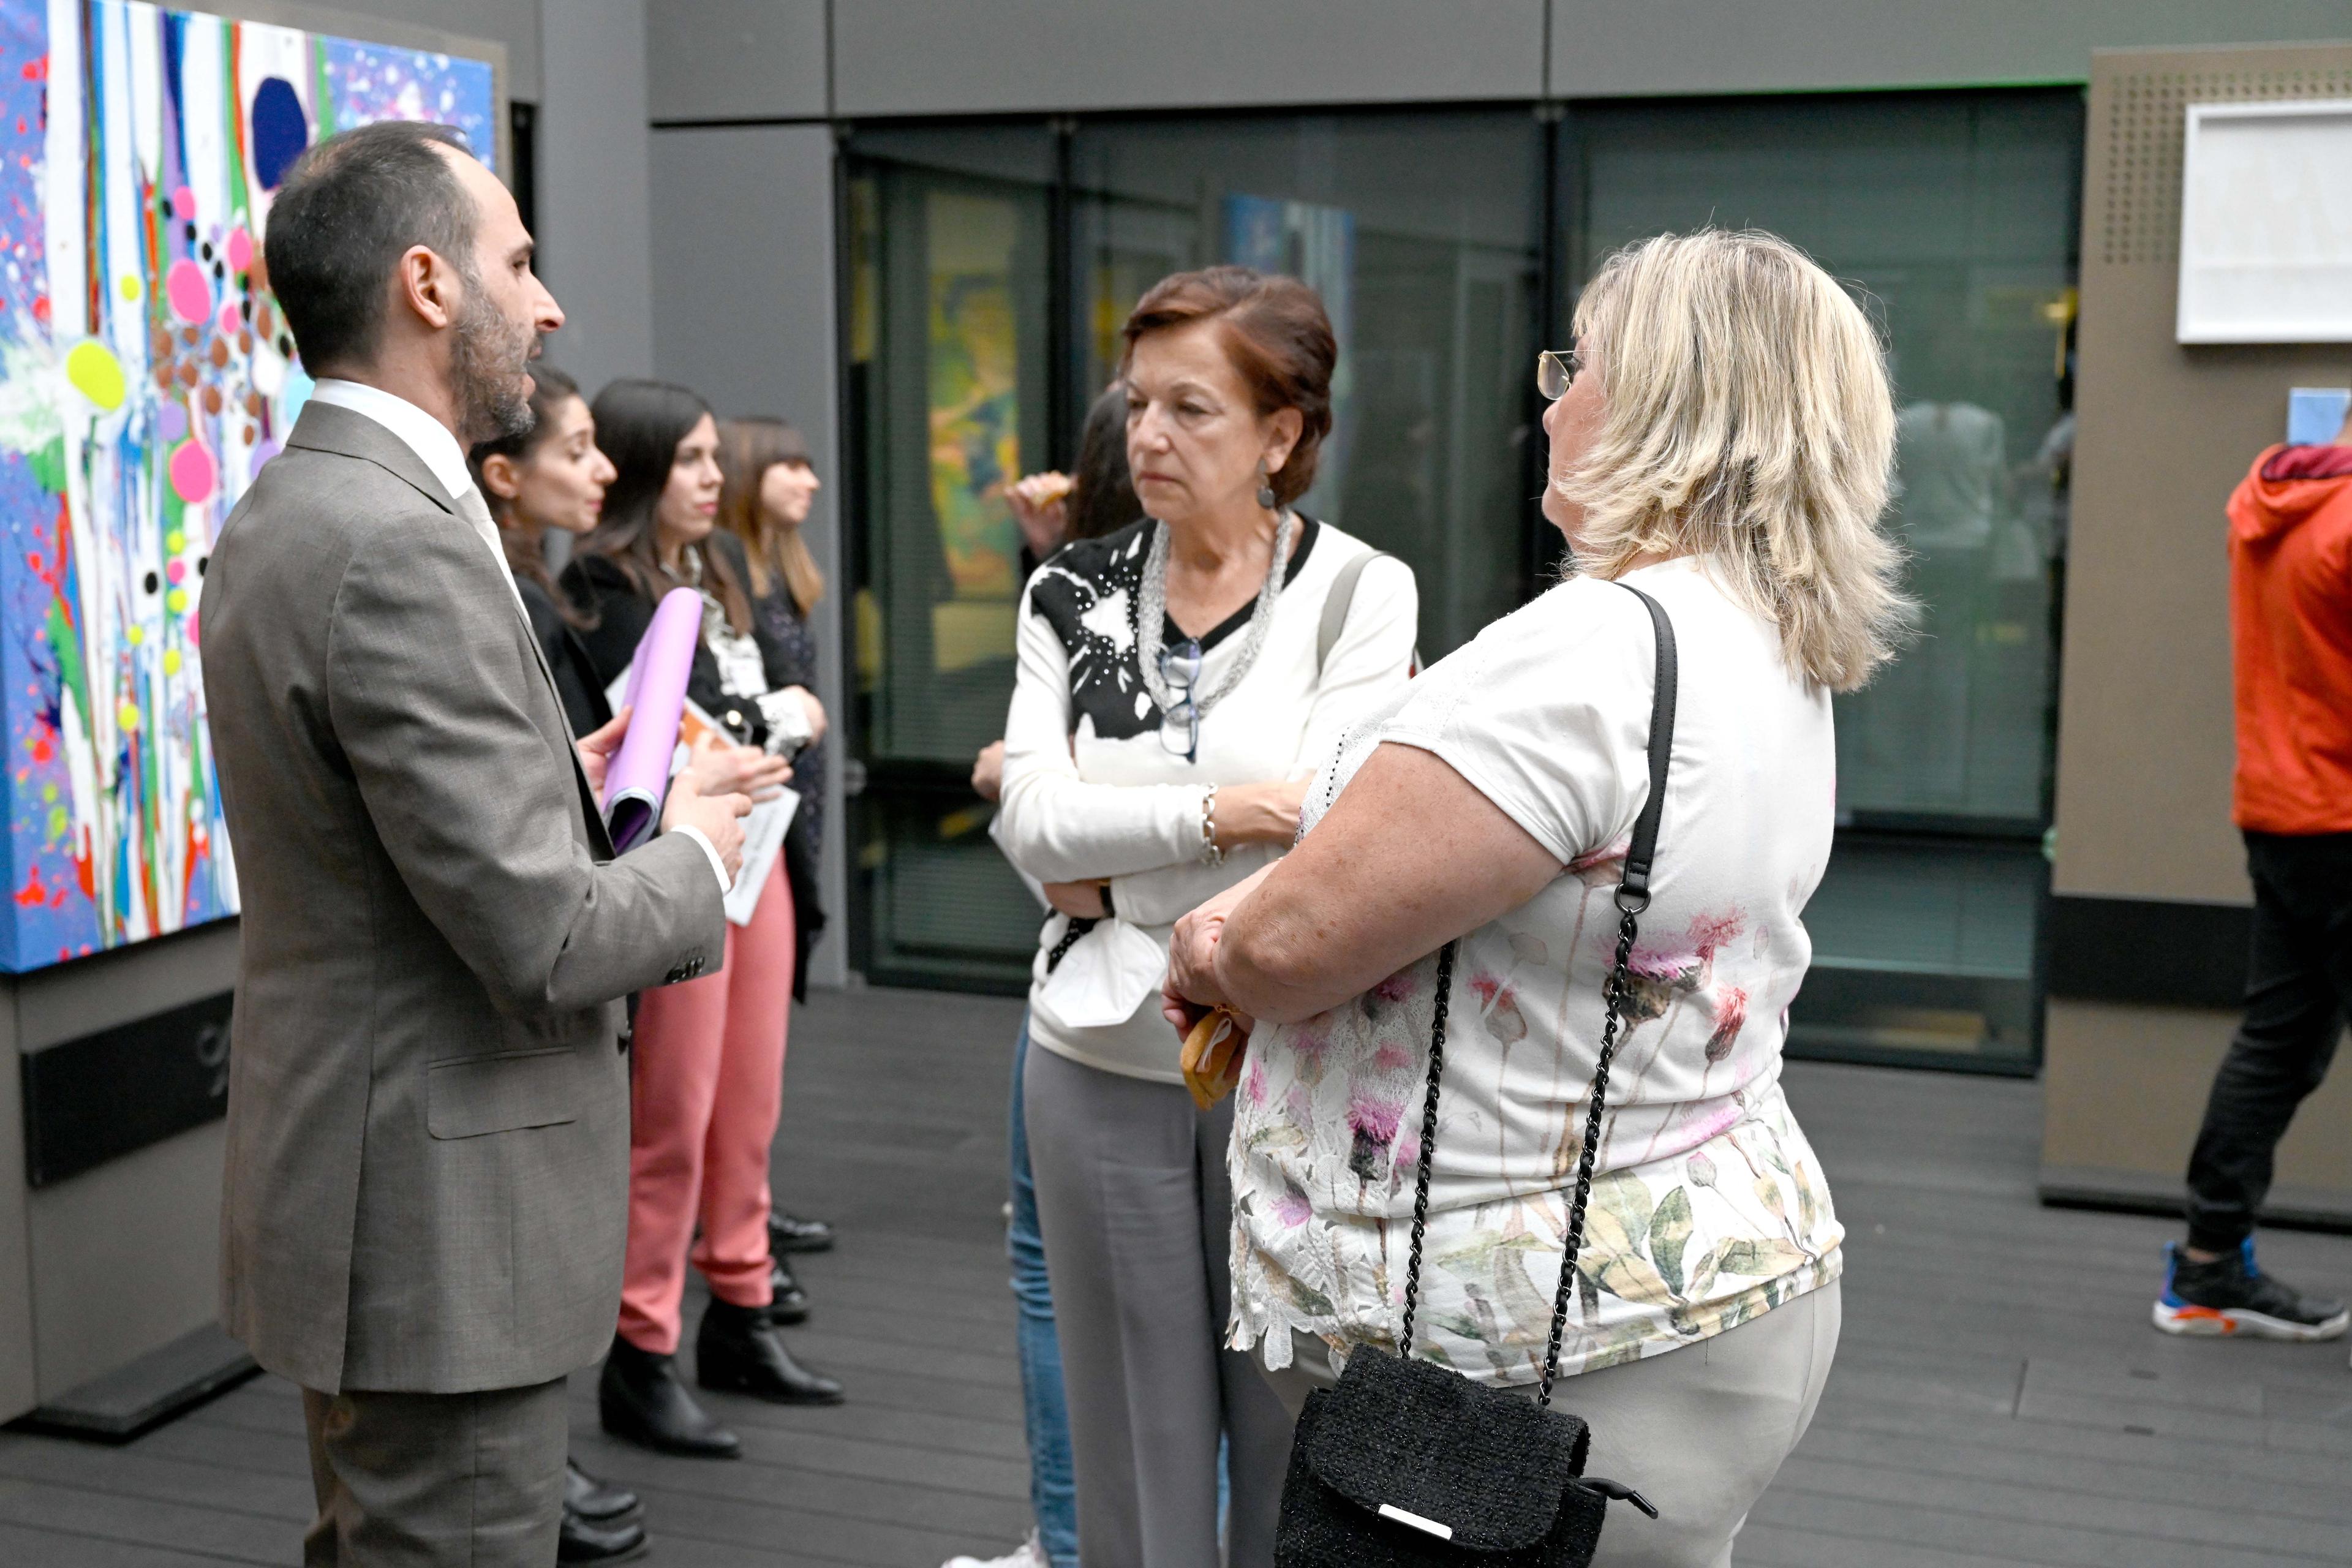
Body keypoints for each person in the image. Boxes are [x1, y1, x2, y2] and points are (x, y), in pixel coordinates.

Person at [1169, 229, 1906, 1568]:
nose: (1549, 398)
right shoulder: (1762, 628)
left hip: (1552, 1358)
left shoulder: (1587, 655)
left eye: (1579, 365)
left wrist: (1210, 943)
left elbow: (1288, 949)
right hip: (1707, 1279)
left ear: (1670, 405)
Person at [200, 121, 749, 1566]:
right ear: (429, 285)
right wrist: (690, 838)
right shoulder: (402, 542)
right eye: (521, 257)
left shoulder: (295, 504)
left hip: (368, 1195)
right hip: (438, 1230)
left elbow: (361, 824)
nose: (550, 301)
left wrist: (550, 774)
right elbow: (550, 937)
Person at [996, 268, 1419, 1567]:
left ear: (1281, 434)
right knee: (1129, 1445)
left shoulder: (1359, 593)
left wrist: (1110, 849)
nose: (1149, 438)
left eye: (1194, 408)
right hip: (1094, 1059)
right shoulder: (1069, 589)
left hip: (1288, 1055)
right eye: (1139, 404)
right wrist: (1229, 813)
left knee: (1294, 1427)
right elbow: (1030, 827)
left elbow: (1340, 831)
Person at [568, 380, 846, 1461]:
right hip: (679, 864)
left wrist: (768, 718)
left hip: (760, 855)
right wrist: (773, 718)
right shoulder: (601, 580)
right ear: (642, 472)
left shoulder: (715, 570)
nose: (710, 476)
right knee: (672, 1118)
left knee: (749, 1105)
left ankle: (740, 1307)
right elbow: (702, 726)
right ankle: (641, 1353)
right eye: (687, 460)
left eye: (709, 458)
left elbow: (771, 703)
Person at [951, 381, 1142, 1568]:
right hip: (1217, 1015)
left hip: (1095, 1007)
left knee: (1059, 1284)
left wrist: (1015, 786)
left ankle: (1074, 1542)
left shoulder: (1083, 609)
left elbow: (1078, 879)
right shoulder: (1302, 603)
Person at [467, 363, 652, 1564]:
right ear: (503, 472)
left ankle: (556, 1443)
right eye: (574, 448)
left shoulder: (535, 587)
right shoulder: (503, 595)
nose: (602, 473)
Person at [2157, 402, 2352, 1344]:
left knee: (2280, 1039)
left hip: (2284, 816)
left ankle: (2206, 1267)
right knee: (2282, 1042)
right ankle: (2207, 1267)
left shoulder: (2276, 499)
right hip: (2345, 818)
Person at [715, 415, 839, 1307]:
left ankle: (747, 1204)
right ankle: (734, 1223)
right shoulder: (728, 582)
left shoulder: (783, 574)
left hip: (800, 795)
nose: (810, 480)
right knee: (733, 1054)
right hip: (758, 803)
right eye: (791, 463)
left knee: (764, 1047)